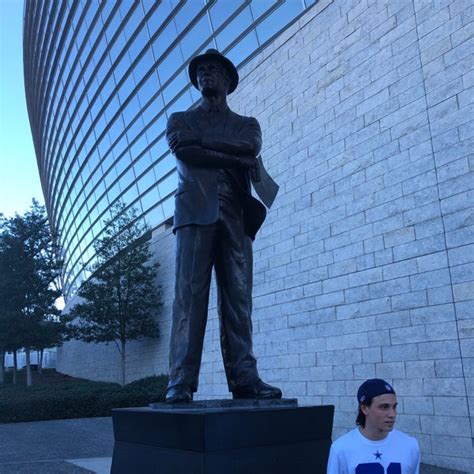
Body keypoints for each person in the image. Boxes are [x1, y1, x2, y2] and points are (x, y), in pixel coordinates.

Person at [164, 49, 282, 403]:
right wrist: (235, 157)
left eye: (214, 70)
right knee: (189, 298)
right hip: (194, 215)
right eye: (201, 71)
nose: (206, 74)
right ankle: (180, 381)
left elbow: (250, 146)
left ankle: (245, 377)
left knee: (238, 298)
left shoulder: (247, 124)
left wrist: (209, 147)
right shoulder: (180, 119)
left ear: (229, 81)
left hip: (235, 217)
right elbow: (185, 150)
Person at [327, 378, 420, 474]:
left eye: (394, 407)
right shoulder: (341, 449)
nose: (392, 414)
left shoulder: (410, 445)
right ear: (364, 409)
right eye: (384, 407)